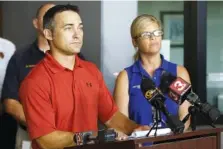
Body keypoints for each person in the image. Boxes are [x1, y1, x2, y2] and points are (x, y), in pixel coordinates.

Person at [19, 4, 149, 149]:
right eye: (68, 28)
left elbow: (111, 117)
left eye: (80, 27)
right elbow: (47, 140)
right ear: (49, 34)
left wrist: (136, 129)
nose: (77, 34)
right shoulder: (35, 82)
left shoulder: (91, 71)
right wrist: (93, 136)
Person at [1, 3, 82, 149]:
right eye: (46, 17)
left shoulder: (79, 59)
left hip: (69, 137)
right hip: (29, 134)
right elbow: (10, 103)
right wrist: (41, 126)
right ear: (36, 23)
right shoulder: (20, 58)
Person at [113, 14, 191, 131]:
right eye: (146, 34)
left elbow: (185, 117)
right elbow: (121, 123)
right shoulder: (125, 77)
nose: (153, 37)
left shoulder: (179, 72)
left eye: (157, 32)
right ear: (135, 42)